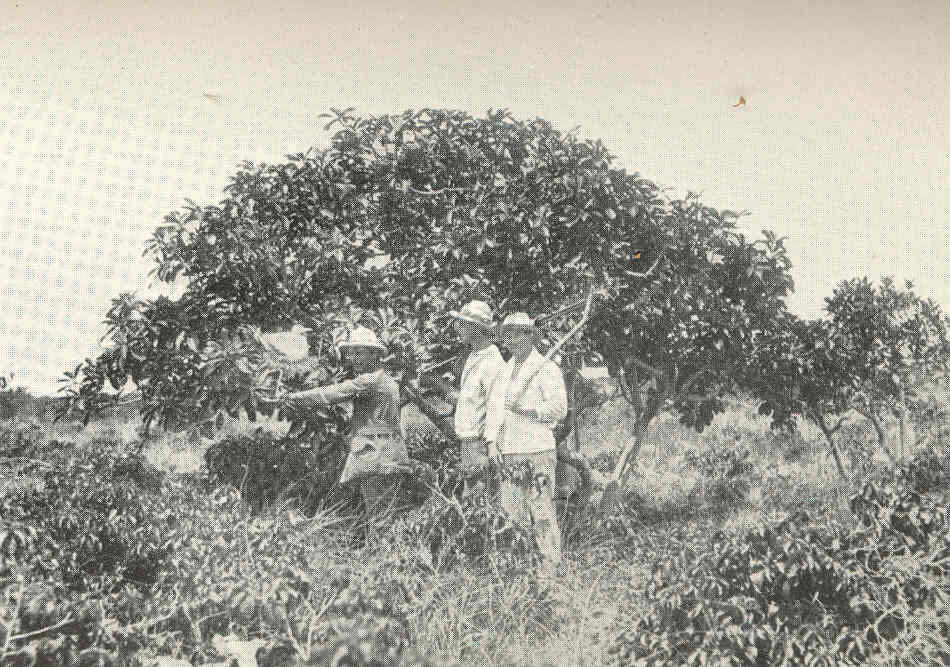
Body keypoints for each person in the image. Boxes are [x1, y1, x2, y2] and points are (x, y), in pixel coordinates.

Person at [279, 326, 411, 517]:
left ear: (374, 354)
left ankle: (380, 545)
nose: (353, 358)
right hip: (388, 455)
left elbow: (333, 393)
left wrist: (294, 397)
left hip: (376, 455)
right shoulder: (387, 380)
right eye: (351, 353)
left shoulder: (371, 381)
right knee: (381, 511)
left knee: (379, 514)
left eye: (359, 352)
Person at [487, 312, 568, 573]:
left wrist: (527, 408)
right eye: (505, 335)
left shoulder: (546, 368)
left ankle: (549, 571)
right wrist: (492, 442)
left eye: (514, 334)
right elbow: (495, 410)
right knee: (513, 515)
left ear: (529, 336)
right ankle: (521, 571)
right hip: (508, 451)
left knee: (542, 512)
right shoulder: (504, 370)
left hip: (537, 451)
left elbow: (559, 408)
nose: (508, 340)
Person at [449, 300, 508, 479]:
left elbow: (496, 406)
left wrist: (491, 445)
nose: (457, 328)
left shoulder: (492, 363)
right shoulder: (474, 356)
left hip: (480, 445)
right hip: (469, 442)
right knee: (473, 498)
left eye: (462, 324)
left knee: (479, 499)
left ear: (476, 328)